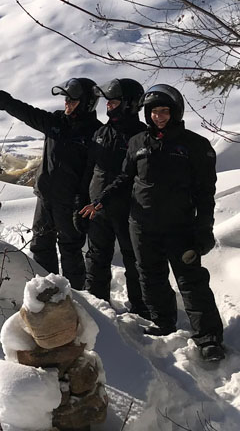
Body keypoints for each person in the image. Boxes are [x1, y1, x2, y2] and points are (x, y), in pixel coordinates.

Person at [80, 84, 225, 361]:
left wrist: (204, 227)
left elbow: (206, 193)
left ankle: (209, 338)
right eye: (154, 111)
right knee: (150, 276)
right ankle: (164, 323)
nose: (159, 116)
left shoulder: (195, 145)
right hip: (142, 224)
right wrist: (102, 198)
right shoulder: (137, 143)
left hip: (180, 226)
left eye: (164, 111)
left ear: (176, 112)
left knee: (190, 281)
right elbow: (125, 178)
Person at [0, 78, 102, 290]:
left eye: (72, 99)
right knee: (41, 246)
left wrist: (84, 199)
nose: (67, 103)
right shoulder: (56, 122)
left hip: (71, 203)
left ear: (87, 102)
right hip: (46, 197)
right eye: (66, 99)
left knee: (70, 250)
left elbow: (96, 172)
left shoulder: (96, 133)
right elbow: (22, 110)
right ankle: (46, 295)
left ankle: (78, 299)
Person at [79, 78, 148, 317]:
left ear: (129, 104)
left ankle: (141, 310)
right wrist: (81, 203)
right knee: (96, 257)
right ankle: (97, 307)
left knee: (134, 261)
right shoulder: (101, 131)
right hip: (97, 208)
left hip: (129, 209)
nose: (109, 106)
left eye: (114, 102)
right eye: (107, 102)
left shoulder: (142, 136)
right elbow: (89, 168)